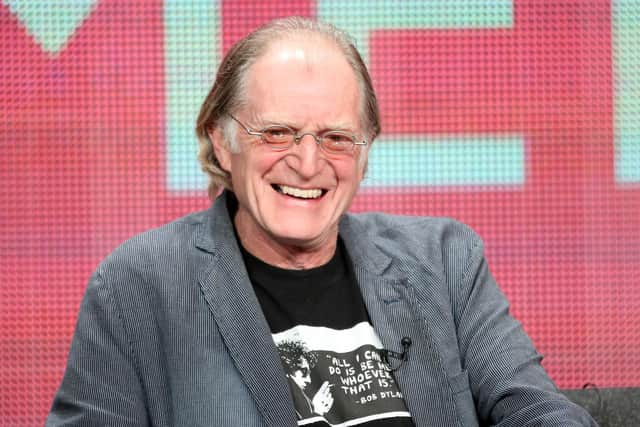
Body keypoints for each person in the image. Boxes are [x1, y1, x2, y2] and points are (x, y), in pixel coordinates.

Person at [47, 16, 597, 426]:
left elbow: (535, 410)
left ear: (365, 152)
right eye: (277, 133)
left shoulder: (443, 261)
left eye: (336, 138)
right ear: (222, 137)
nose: (308, 165)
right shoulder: (137, 285)